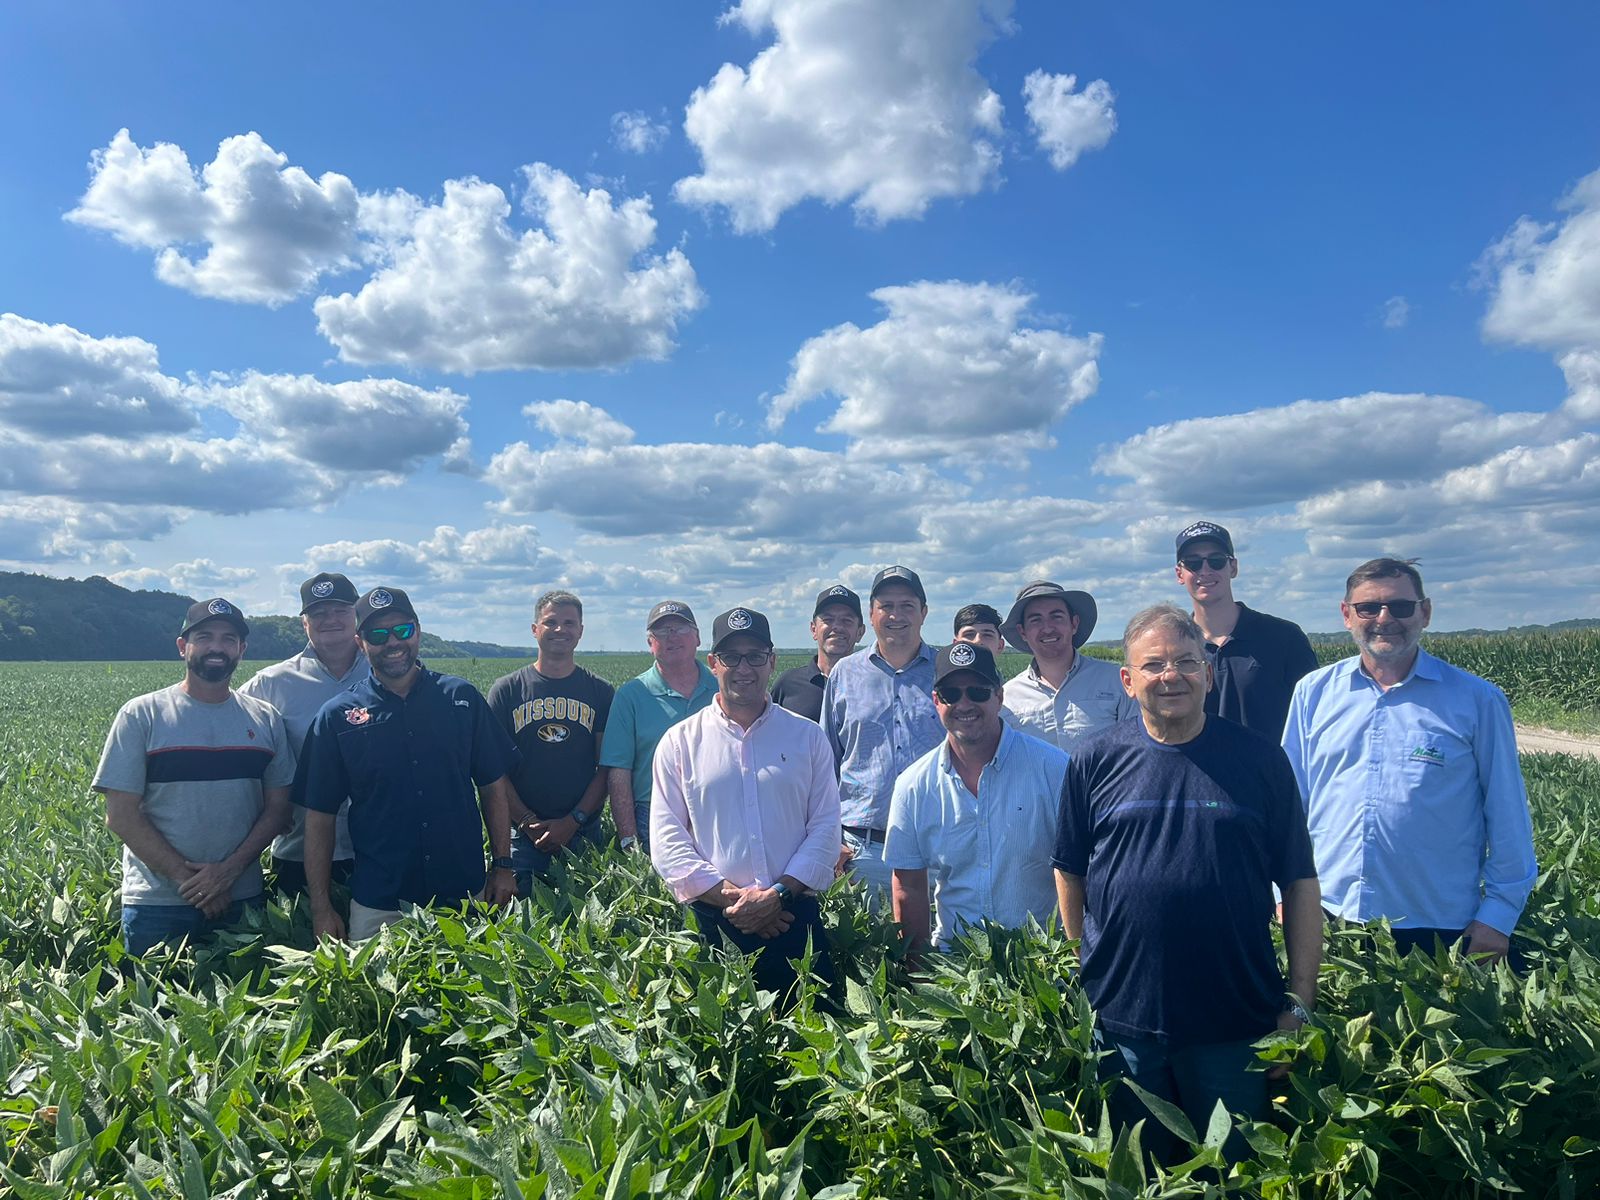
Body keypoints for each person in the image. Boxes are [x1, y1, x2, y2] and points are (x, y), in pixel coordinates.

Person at [1054, 604, 1322, 1164]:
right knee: (1142, 1176)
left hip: (1236, 1020)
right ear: (1128, 681)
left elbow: (1299, 884)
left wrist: (1299, 1002)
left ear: (1209, 673)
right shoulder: (1095, 761)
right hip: (1125, 1023)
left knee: (1239, 1173)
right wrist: (1088, 959)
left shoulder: (1260, 760)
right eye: (1153, 665)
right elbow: (1070, 869)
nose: (1169, 675)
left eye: (1185, 661)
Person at [1282, 557, 1537, 965]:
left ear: (1425, 612)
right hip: (1329, 914)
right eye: (1368, 607)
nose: (1384, 618)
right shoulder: (1313, 693)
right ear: (1347, 614)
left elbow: (1507, 815)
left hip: (1438, 925)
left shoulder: (1476, 700)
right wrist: (1282, 894)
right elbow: (1289, 805)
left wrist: (1499, 915)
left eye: (1400, 607)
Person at [294, 586, 518, 942]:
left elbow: (493, 788)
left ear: (418, 630)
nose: (393, 642)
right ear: (360, 641)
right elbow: (319, 818)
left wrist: (503, 866)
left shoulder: (461, 699)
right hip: (380, 901)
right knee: (378, 997)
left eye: (403, 630)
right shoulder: (337, 717)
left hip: (462, 891)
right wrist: (321, 906)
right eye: (378, 634)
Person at [650, 607, 842, 1003]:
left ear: (772, 661)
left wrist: (777, 897)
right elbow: (667, 840)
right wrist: (735, 901)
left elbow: (825, 827)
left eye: (755, 656)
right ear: (712, 663)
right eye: (731, 657)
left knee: (819, 1049)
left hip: (795, 920)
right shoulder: (679, 742)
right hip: (715, 925)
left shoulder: (807, 737)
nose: (744, 668)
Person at [93, 598, 294, 956]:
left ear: (241, 650)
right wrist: (189, 880)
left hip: (242, 897)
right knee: (154, 1009)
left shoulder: (265, 719)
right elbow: (120, 814)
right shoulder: (142, 714)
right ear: (183, 646)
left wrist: (227, 874)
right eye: (204, 637)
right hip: (157, 903)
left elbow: (278, 810)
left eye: (228, 639)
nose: (217, 647)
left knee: (245, 1008)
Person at [885, 643, 1068, 954]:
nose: (964, 704)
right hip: (956, 966)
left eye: (978, 692)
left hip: (1041, 961)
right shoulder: (913, 785)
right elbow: (908, 886)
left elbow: (1080, 873)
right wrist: (919, 975)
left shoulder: (1055, 769)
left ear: (999, 696)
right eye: (951, 695)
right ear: (936, 702)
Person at [236, 572, 367, 897]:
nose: (330, 619)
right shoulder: (270, 684)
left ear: (357, 615)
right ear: (303, 623)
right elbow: (233, 748)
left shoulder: (390, 672)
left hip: (379, 850)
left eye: (340, 610)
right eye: (319, 613)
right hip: (297, 851)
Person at [821, 565, 944, 901]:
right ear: (872, 615)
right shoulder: (844, 674)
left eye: (907, 605)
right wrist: (830, 839)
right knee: (867, 953)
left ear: (924, 613)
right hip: (864, 849)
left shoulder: (948, 671)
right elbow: (825, 764)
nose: (896, 615)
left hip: (939, 844)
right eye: (886, 605)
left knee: (940, 952)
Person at [487, 590, 614, 895]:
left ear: (581, 631)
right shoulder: (507, 691)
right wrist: (528, 821)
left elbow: (606, 767)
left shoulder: (600, 691)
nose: (560, 629)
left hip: (584, 832)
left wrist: (574, 820)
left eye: (569, 623)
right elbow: (494, 772)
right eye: (551, 622)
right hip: (522, 836)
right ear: (535, 630)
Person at [1173, 520, 1318, 738]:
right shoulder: (1174, 644)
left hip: (1270, 770)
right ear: (1179, 574)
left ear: (1233, 568)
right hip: (1198, 771)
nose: (1205, 570)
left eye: (1216, 561)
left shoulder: (1284, 637)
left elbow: (1314, 715)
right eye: (1193, 563)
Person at [601, 601, 717, 854]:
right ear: (650, 643)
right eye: (662, 631)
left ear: (697, 637)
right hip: (653, 812)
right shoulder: (631, 695)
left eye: (680, 628)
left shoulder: (723, 689)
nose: (672, 637)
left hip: (719, 810)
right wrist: (628, 840)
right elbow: (619, 771)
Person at [1000, 581, 1136, 751]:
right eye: (1036, 620)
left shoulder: (1116, 682)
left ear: (1074, 624)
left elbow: (1138, 750)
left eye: (1056, 617)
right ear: (1022, 632)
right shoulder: (1008, 698)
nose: (1047, 628)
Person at [771, 584, 865, 722]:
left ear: (860, 632)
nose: (837, 627)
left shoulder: (872, 685)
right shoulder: (787, 684)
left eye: (847, 621)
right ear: (813, 629)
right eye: (828, 620)